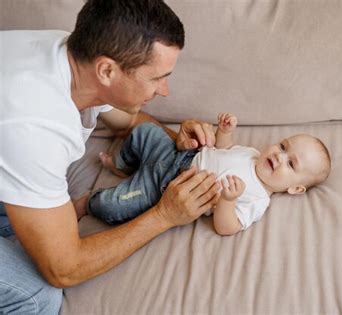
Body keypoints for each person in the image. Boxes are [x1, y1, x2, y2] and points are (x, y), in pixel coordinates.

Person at [0, 0, 221, 313]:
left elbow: (129, 121)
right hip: (18, 135)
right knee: (39, 295)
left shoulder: (75, 58)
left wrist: (177, 141)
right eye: (157, 77)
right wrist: (164, 215)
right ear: (107, 70)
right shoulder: (34, 126)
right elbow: (63, 268)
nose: (165, 90)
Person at [78, 113, 331, 235]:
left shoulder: (257, 199)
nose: (279, 156)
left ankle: (90, 203)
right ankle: (123, 166)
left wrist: (227, 202)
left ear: (296, 188)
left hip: (166, 189)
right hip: (177, 154)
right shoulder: (252, 154)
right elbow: (223, 150)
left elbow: (226, 227)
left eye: (291, 164)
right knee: (144, 131)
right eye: (283, 146)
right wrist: (225, 132)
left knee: (115, 206)